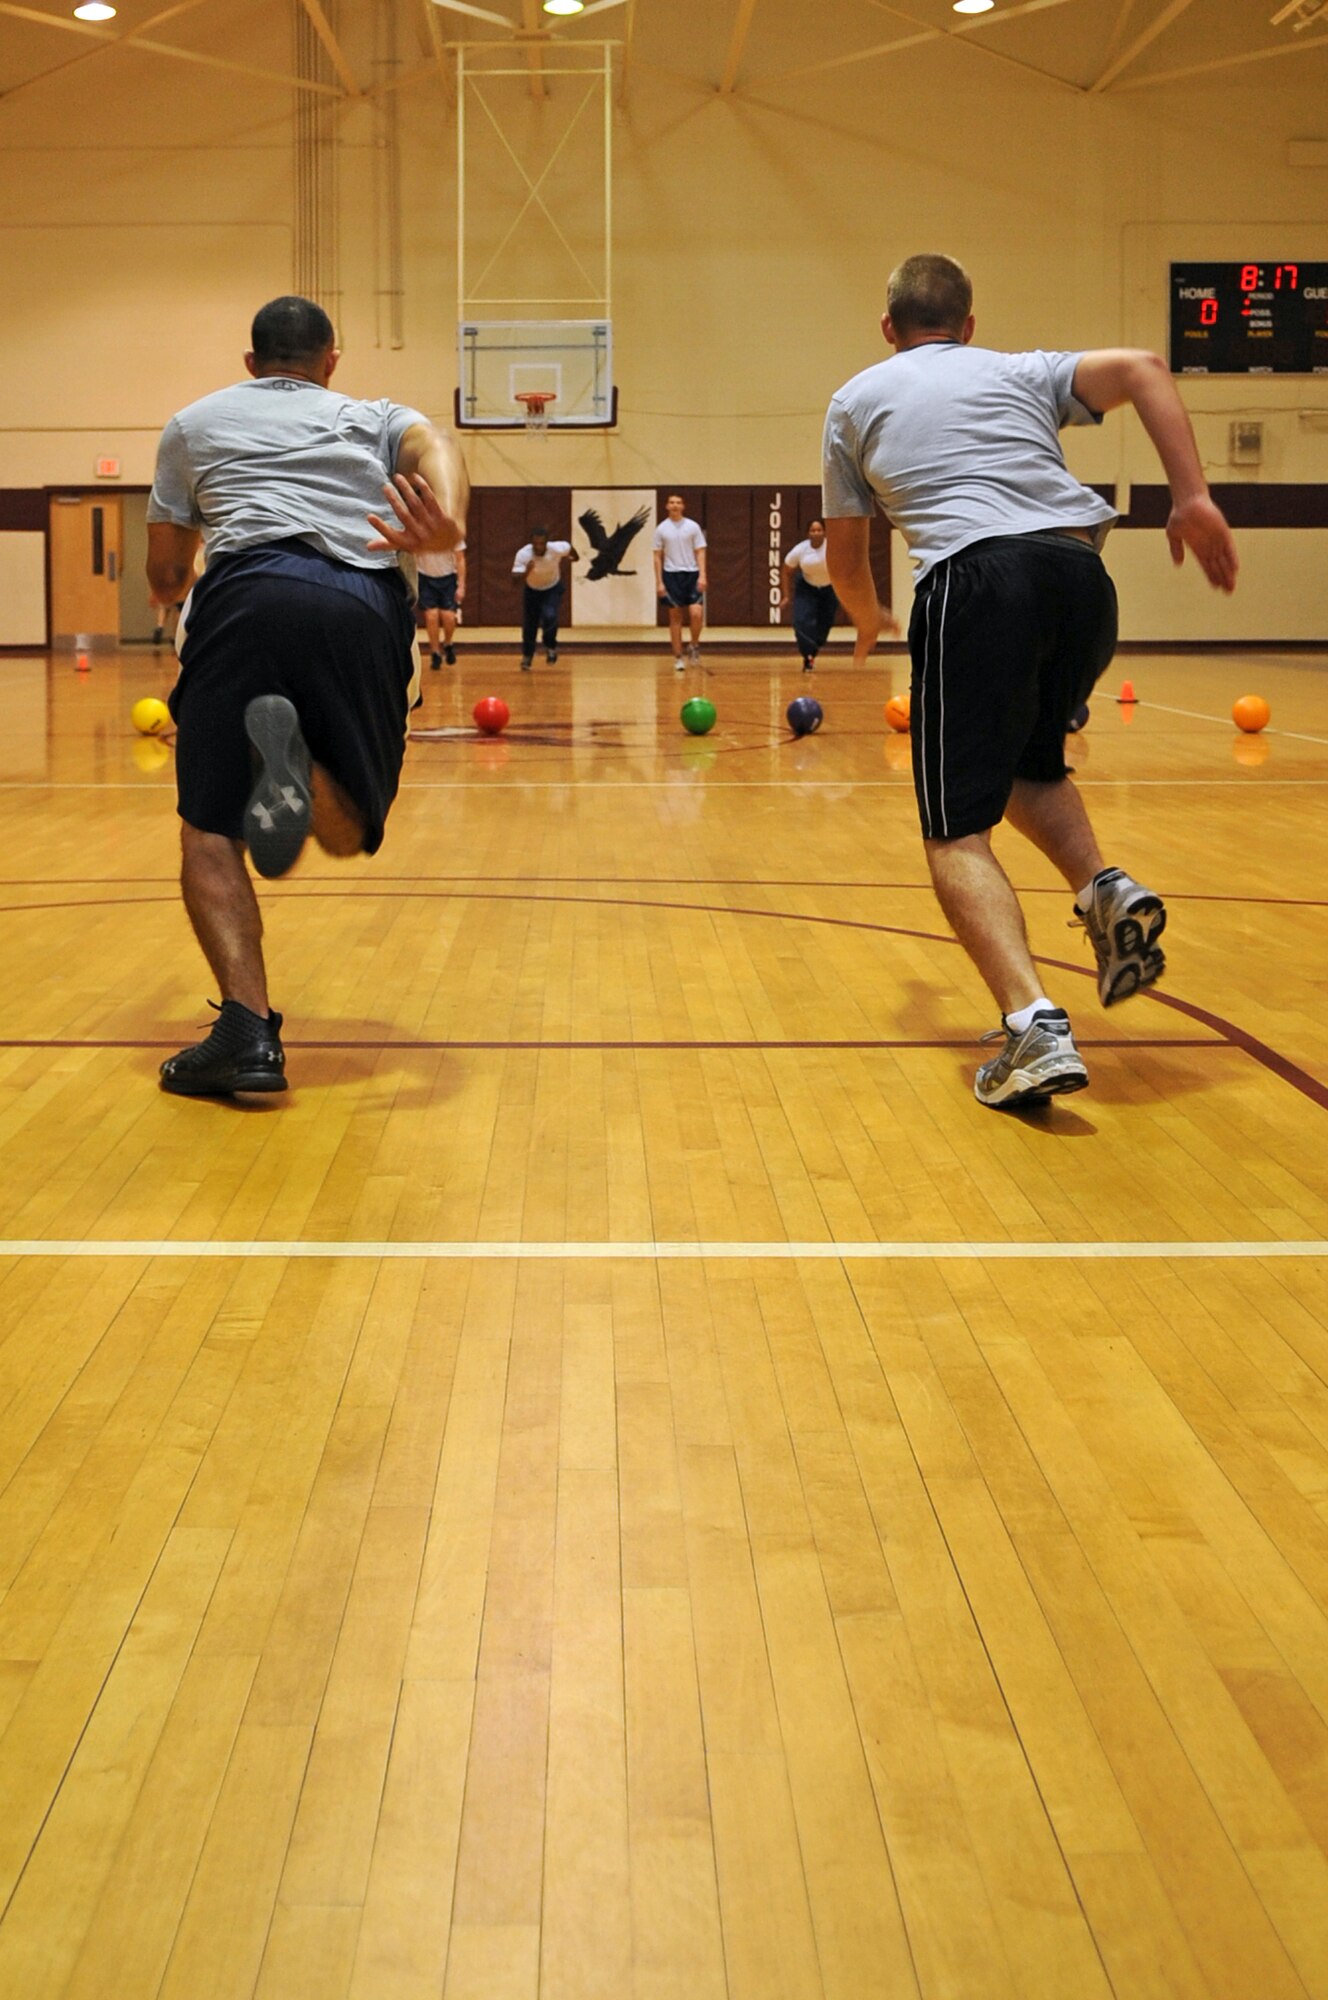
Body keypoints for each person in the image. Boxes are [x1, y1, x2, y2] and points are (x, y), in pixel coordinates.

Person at [822, 253, 1237, 1110]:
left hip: (975, 583)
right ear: (969, 325)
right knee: (1028, 768)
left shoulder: (856, 398)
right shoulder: (1020, 371)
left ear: (888, 329)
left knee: (954, 830)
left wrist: (865, 617)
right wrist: (1191, 496)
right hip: (1080, 578)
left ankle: (1031, 1026)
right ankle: (1104, 891)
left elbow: (845, 550)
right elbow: (1145, 370)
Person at [146, 293, 466, 1097]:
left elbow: (163, 574)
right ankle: (305, 763)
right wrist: (446, 528)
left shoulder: (191, 424)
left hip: (243, 597)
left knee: (209, 831)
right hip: (359, 605)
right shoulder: (375, 414)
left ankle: (248, 1035)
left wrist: (185, 600)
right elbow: (438, 443)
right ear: (331, 362)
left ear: (250, 364)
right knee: (351, 829)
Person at [652, 494, 707, 668]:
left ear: (683, 506)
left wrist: (703, 575)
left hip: (692, 574)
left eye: (678, 503)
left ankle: (694, 644)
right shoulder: (661, 529)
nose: (675, 506)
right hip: (671, 575)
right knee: (675, 617)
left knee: (696, 613)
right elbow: (657, 556)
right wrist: (659, 582)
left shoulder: (692, 527)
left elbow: (700, 552)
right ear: (667, 506)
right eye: (671, 503)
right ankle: (678, 657)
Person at [512, 527, 577, 669]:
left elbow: (570, 549)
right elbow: (514, 579)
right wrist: (526, 572)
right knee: (530, 624)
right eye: (535, 543)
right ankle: (527, 656)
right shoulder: (524, 554)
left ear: (547, 543)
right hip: (532, 590)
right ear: (531, 542)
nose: (538, 547)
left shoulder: (557, 549)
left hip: (552, 588)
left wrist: (574, 557)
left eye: (541, 544)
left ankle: (550, 646)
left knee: (550, 615)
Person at [780, 519, 840, 671]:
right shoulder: (800, 550)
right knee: (801, 622)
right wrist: (786, 596)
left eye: (819, 530)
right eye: (813, 530)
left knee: (823, 627)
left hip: (829, 589)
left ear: (825, 532)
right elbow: (786, 571)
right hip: (806, 588)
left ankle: (813, 651)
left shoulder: (833, 547)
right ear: (808, 533)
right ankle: (807, 656)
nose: (816, 533)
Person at [419, 539, 466, 668]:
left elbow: (460, 559)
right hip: (425, 578)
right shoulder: (420, 530)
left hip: (448, 578)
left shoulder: (452, 532)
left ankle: (448, 643)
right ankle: (435, 653)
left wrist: (461, 586)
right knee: (431, 616)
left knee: (449, 617)